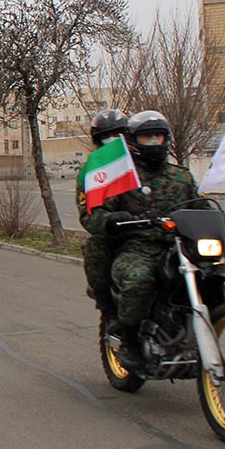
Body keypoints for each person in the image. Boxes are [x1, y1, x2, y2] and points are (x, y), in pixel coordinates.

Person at [84, 110, 205, 370]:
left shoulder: (181, 176)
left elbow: (201, 207)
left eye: (157, 136)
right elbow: (96, 212)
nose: (153, 142)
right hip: (138, 248)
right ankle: (128, 340)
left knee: (214, 273)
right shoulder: (120, 177)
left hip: (180, 247)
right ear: (133, 141)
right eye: (146, 137)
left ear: (166, 139)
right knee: (139, 279)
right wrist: (111, 219)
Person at [76, 109, 129, 325]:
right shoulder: (92, 172)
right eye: (107, 137)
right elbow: (88, 213)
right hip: (120, 235)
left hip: (157, 234)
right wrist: (109, 221)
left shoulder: (142, 165)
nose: (113, 141)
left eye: (119, 135)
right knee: (95, 249)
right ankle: (110, 314)